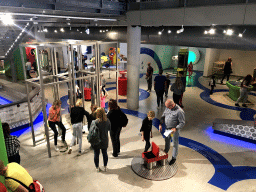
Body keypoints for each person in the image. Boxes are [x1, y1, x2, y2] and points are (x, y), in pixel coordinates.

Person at [159, 99, 185, 165]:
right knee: (167, 141)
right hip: (167, 129)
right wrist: (160, 124)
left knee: (174, 144)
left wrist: (176, 128)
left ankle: (174, 158)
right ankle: (166, 152)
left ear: (172, 105)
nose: (167, 108)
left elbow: (182, 123)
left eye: (168, 107)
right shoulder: (168, 108)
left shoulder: (179, 111)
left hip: (174, 131)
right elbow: (163, 116)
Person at [91, 108, 111, 172]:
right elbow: (109, 129)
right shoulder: (107, 121)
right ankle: (105, 166)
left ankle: (97, 167)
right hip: (104, 139)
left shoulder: (95, 122)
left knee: (96, 154)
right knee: (104, 153)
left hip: (96, 140)